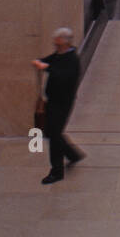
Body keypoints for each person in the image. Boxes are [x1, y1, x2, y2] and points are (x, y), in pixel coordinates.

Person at [32, 28, 84, 184]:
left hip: (62, 102)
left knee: (54, 135)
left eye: (57, 40)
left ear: (65, 42)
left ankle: (57, 171)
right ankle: (72, 154)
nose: (55, 43)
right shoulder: (60, 55)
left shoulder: (72, 60)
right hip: (53, 100)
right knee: (52, 132)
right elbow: (50, 60)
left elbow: (63, 77)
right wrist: (41, 62)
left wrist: (46, 67)